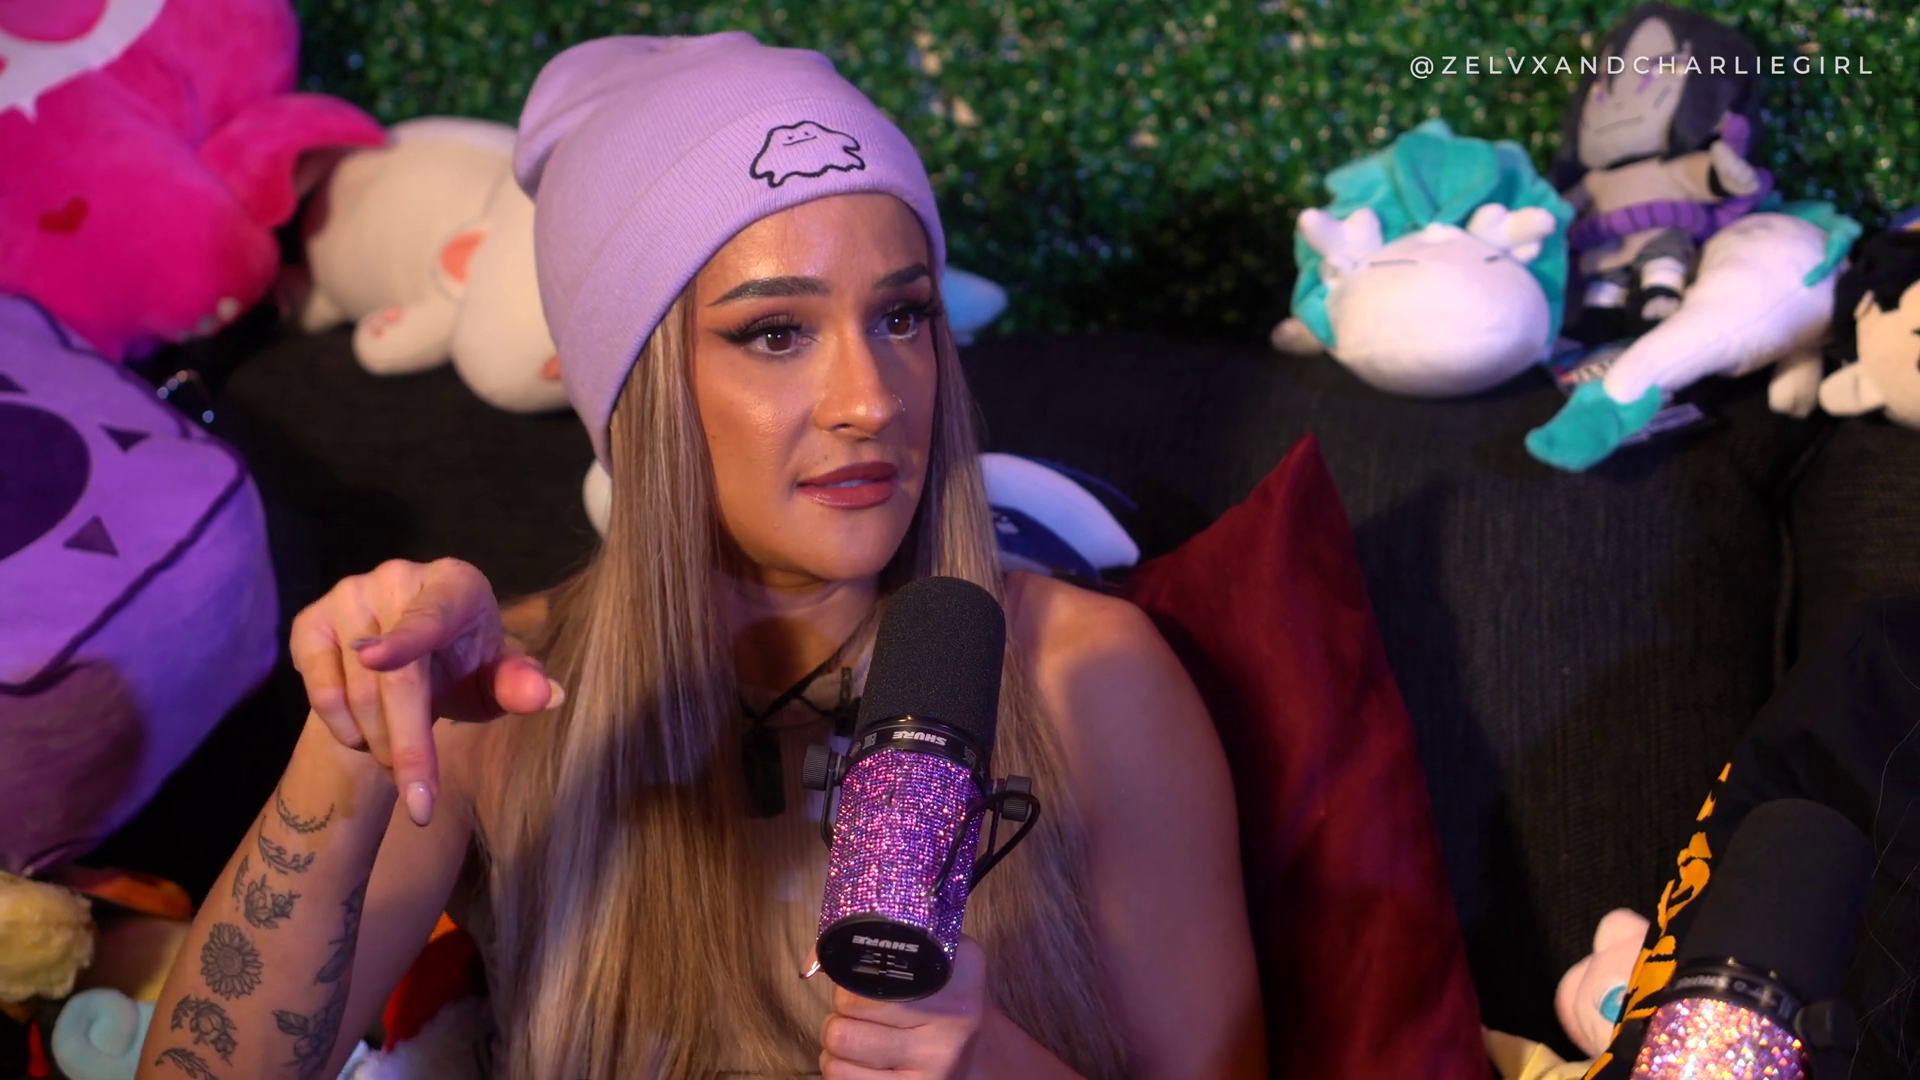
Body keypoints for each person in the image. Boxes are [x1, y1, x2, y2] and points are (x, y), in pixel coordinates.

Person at [138, 32, 1264, 1080]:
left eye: (902, 317)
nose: (871, 401)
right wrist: (354, 741)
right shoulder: (500, 696)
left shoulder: (1085, 675)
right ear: (637, 390)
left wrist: (994, 1067)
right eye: (776, 333)